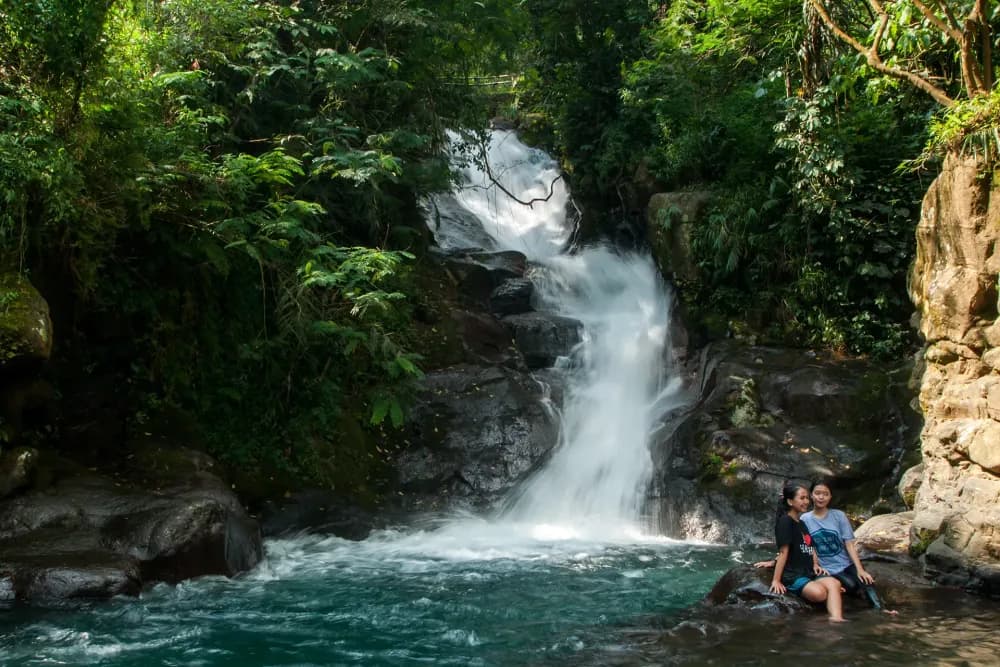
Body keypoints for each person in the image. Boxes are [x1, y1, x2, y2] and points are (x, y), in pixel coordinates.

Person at [801, 479, 897, 614]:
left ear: (830, 497)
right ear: (811, 495)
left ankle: (882, 610)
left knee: (866, 581)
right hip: (825, 569)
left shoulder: (838, 516)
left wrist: (859, 569)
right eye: (817, 493)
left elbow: (849, 544)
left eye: (825, 494)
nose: (821, 497)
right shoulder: (805, 519)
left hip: (845, 565)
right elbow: (807, 545)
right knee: (850, 585)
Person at [767, 480, 847, 622]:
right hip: (793, 576)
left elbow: (810, 547)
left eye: (806, 498)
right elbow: (784, 552)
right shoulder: (785, 522)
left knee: (835, 584)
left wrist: (815, 564)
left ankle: (837, 619)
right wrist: (776, 580)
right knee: (820, 594)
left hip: (808, 572)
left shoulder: (801, 522)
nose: (806, 502)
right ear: (790, 502)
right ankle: (827, 597)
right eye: (802, 498)